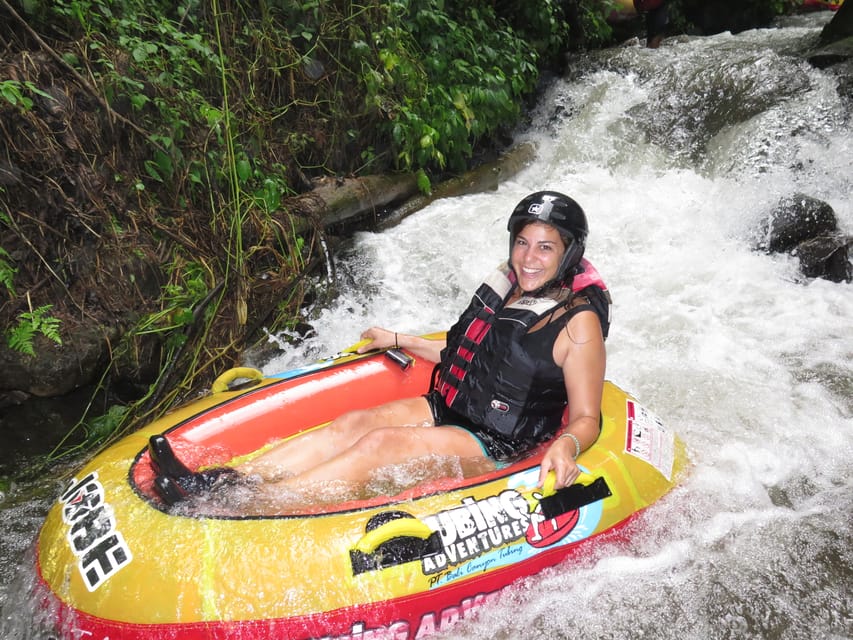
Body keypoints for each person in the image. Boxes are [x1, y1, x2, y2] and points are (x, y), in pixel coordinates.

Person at [149, 191, 610, 509]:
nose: (528, 258)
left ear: (568, 254)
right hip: (449, 406)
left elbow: (588, 416)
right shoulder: (513, 286)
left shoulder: (578, 323)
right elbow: (473, 353)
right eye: (523, 243)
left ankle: (243, 506)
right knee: (354, 423)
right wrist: (402, 340)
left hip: (498, 440)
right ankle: (223, 482)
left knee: (378, 444)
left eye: (545, 248)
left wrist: (567, 446)